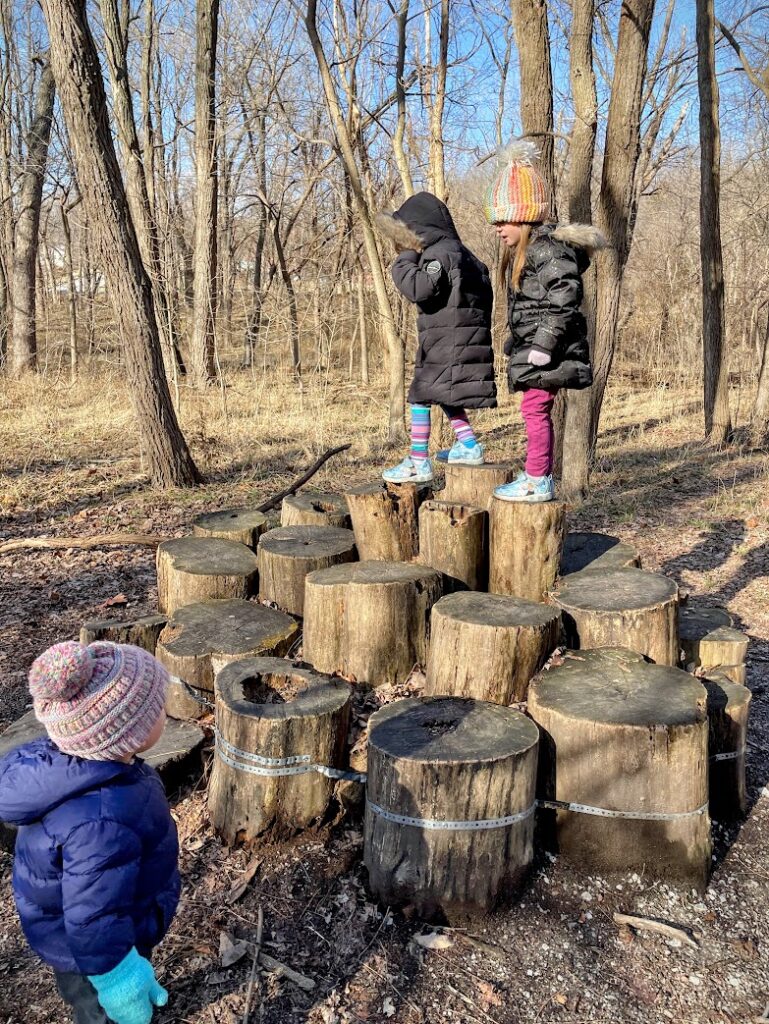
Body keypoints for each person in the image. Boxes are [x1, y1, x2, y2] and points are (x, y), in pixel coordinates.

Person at [0, 640, 179, 1024]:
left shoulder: (91, 770)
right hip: (94, 954)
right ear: (122, 735)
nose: (166, 711)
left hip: (104, 930)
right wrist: (119, 978)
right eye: (158, 708)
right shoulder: (101, 820)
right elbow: (93, 916)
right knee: (103, 1012)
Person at [484, 140, 606, 502]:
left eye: (503, 220)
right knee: (533, 409)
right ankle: (537, 474)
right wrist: (517, 340)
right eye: (495, 221)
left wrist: (542, 343)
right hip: (538, 347)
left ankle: (538, 479)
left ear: (524, 218)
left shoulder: (546, 248)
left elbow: (565, 296)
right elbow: (534, 306)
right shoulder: (532, 251)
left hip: (550, 350)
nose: (498, 228)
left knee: (535, 409)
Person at [376, 191, 496, 483]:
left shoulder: (438, 255)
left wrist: (406, 257)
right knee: (442, 392)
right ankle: (468, 445)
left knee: (421, 396)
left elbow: (421, 289)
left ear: (416, 230)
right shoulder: (465, 254)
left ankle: (418, 461)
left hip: (448, 341)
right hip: (461, 338)